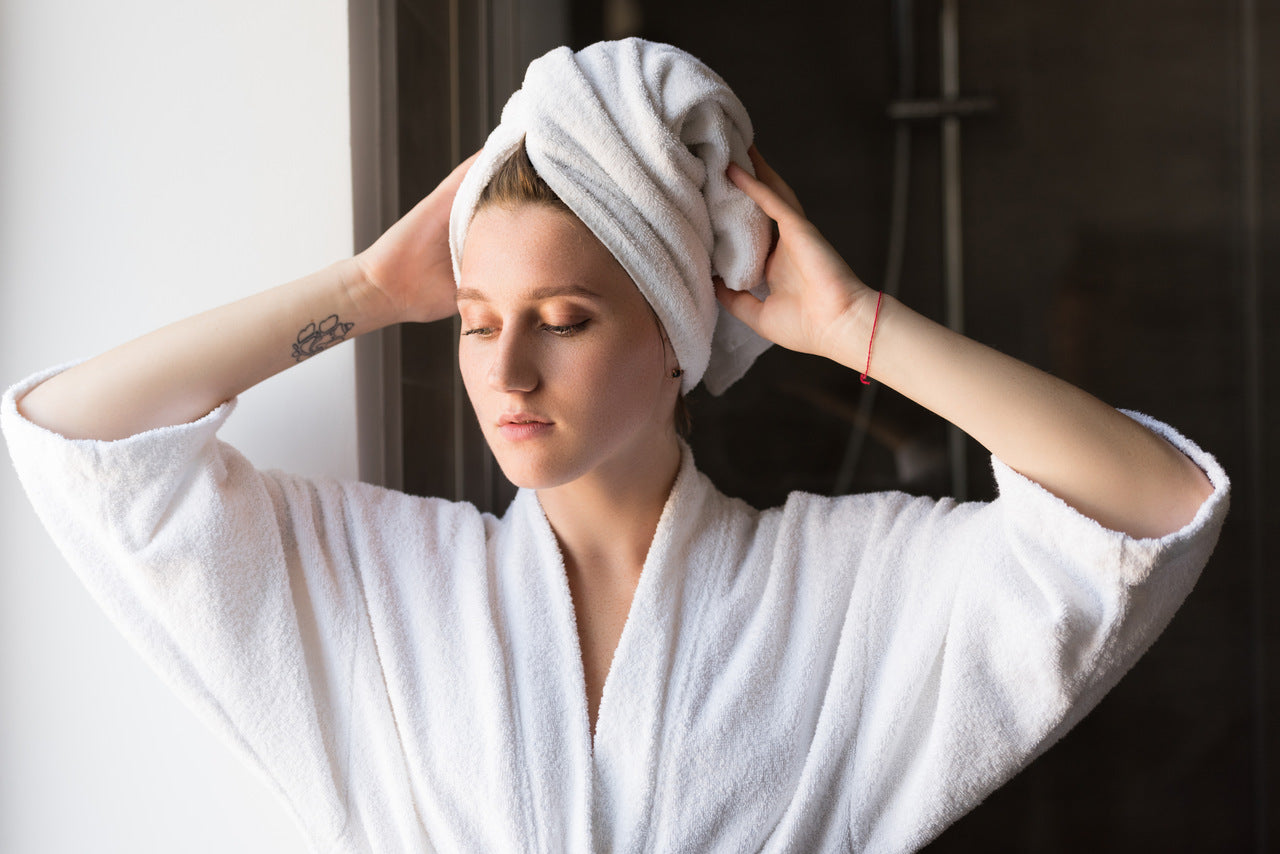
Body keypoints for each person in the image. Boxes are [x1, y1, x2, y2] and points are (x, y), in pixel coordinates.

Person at [3, 39, 1227, 853]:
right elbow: (82, 444)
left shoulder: (834, 595)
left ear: (672, 334)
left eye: (566, 319)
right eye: (478, 323)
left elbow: (1147, 508)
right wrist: (370, 286)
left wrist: (856, 327)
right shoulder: (389, 587)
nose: (505, 369)